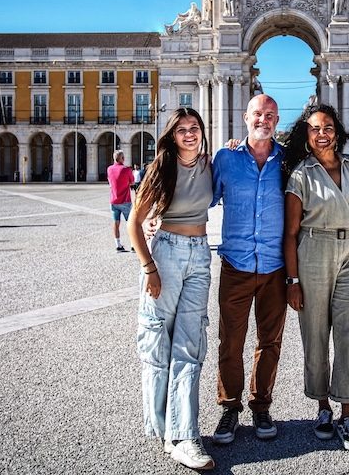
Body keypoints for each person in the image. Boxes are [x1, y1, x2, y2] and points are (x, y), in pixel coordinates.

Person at [127, 108, 216, 471]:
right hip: (165, 254)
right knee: (158, 342)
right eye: (182, 130)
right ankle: (166, 430)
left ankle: (184, 433)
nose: (190, 134)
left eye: (194, 128)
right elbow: (134, 222)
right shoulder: (160, 168)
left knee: (190, 345)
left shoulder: (211, 164)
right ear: (172, 136)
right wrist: (149, 268)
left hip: (200, 256)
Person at [282, 103, 349, 452]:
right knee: (315, 335)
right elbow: (290, 234)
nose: (322, 134)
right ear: (306, 135)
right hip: (313, 252)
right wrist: (292, 281)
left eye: (328, 127)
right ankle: (322, 407)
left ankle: (347, 412)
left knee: (348, 337)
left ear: (338, 131)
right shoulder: (300, 175)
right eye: (315, 128)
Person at [210, 94, 287, 445]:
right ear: (245, 117)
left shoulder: (288, 160)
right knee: (231, 341)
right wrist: (155, 213)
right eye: (258, 113)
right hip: (236, 265)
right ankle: (229, 406)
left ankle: (261, 404)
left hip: (274, 266)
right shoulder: (225, 158)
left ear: (277, 119)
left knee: (270, 341)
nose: (263, 119)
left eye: (270, 115)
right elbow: (200, 197)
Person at [107, 150, 134, 252]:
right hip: (125, 201)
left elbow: (110, 182)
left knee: (116, 223)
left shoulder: (109, 169)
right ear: (122, 158)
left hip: (113, 201)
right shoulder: (126, 169)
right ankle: (133, 245)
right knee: (130, 223)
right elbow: (132, 182)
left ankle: (118, 245)